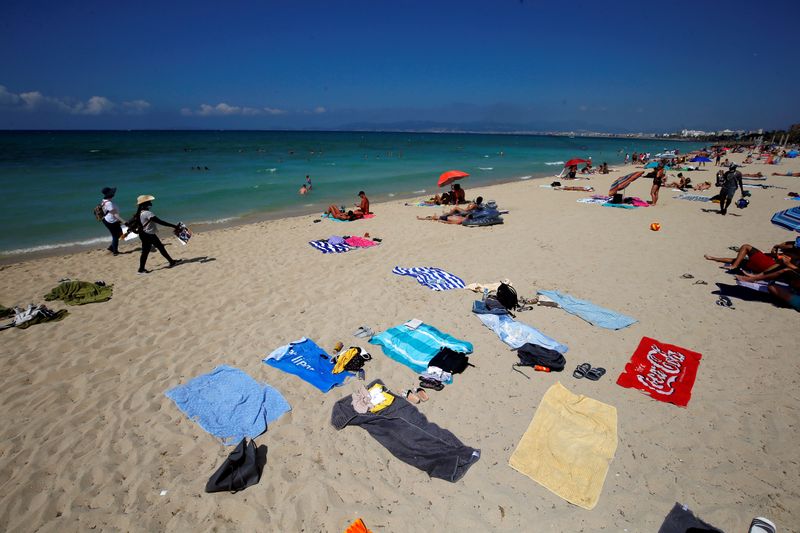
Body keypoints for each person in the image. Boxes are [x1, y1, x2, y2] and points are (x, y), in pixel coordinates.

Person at [134, 195, 180, 274]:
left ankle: (171, 261)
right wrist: (174, 226)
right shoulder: (147, 213)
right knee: (156, 248)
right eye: (149, 202)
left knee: (150, 250)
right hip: (148, 234)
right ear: (145, 204)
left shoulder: (139, 213)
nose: (150, 203)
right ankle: (141, 269)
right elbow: (160, 222)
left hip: (143, 234)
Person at [704, 243, 787, 275]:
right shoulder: (791, 259)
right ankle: (713, 258)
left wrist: (777, 246)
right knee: (739, 260)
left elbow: (774, 256)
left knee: (746, 247)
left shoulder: (788, 255)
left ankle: (734, 266)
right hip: (760, 268)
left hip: (767, 264)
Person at [99, 187, 124, 255]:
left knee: (119, 234)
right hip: (111, 221)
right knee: (116, 236)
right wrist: (123, 221)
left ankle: (111, 248)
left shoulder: (104, 200)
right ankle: (115, 252)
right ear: (110, 194)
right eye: (112, 192)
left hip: (109, 220)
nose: (114, 193)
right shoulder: (108, 203)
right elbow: (115, 214)